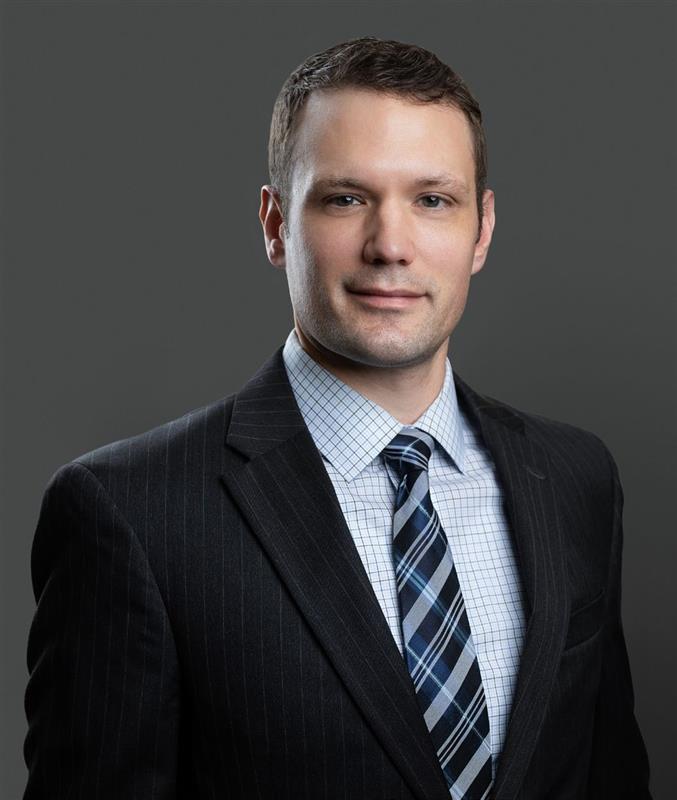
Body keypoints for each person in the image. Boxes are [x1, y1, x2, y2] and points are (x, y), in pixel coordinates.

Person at [23, 36, 651, 800]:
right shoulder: (132, 511)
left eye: (432, 200)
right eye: (346, 199)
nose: (390, 246)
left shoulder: (576, 479)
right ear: (275, 223)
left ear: (480, 230)